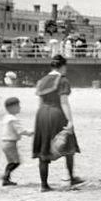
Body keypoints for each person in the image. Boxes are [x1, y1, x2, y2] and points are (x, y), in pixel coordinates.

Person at [32, 55, 83, 192]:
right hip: (56, 113)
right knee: (68, 144)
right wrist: (70, 121)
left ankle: (44, 185)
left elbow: (40, 103)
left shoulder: (42, 81)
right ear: (63, 66)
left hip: (41, 115)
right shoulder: (62, 80)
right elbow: (64, 102)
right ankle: (71, 179)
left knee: (44, 149)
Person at [1, 97, 33, 186]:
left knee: (11, 162)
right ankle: (5, 177)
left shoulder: (6, 117)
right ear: (11, 107)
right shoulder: (13, 119)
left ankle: (6, 178)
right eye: (18, 106)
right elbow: (20, 131)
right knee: (16, 162)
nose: (20, 107)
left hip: (5, 143)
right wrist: (31, 132)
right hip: (10, 143)